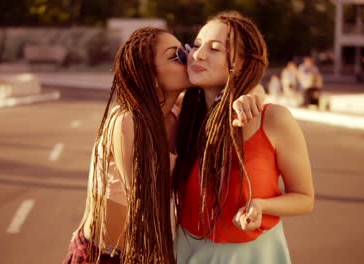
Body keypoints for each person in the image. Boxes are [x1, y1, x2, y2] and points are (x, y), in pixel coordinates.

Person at [63, 27, 264, 264]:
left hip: (143, 253)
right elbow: (145, 204)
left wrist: (252, 93)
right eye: (176, 55)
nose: (189, 57)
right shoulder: (127, 120)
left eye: (186, 50)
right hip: (102, 255)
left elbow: (243, 86)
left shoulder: (180, 116)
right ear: (149, 74)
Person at [174, 11, 315, 263]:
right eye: (196, 45)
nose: (199, 54)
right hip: (185, 251)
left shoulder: (274, 120)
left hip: (252, 254)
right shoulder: (182, 115)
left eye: (215, 49)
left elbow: (305, 198)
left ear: (242, 64)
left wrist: (262, 205)